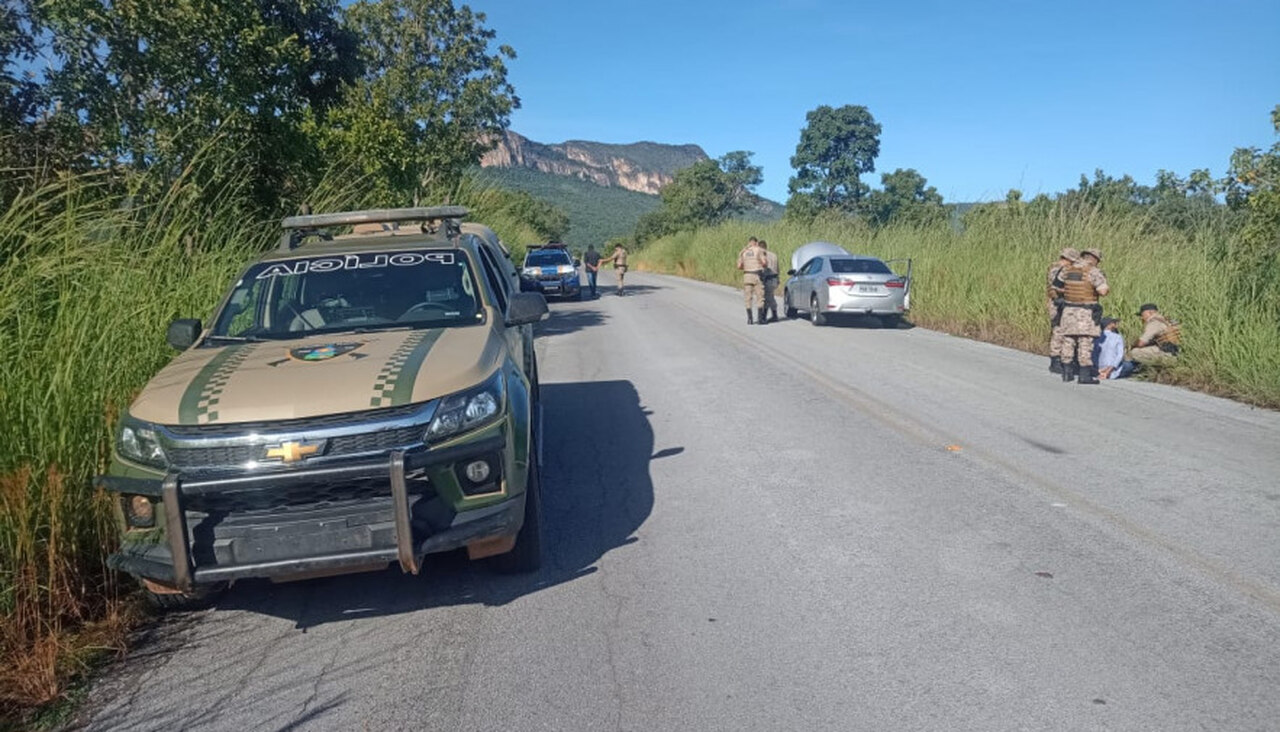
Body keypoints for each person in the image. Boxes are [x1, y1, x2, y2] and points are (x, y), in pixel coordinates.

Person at [1055, 247, 1109, 384]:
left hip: (1068, 311)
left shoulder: (1067, 269)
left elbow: (1057, 286)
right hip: (1085, 312)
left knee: (1068, 340)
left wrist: (1070, 293)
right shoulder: (1093, 272)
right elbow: (1103, 291)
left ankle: (1067, 373)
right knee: (1085, 342)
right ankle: (1084, 375)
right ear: (1095, 259)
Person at [1046, 247, 1081, 374]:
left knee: (1065, 330)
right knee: (1059, 331)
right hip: (1058, 304)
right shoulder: (1057, 269)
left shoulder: (1063, 268)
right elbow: (1056, 287)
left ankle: (1065, 359)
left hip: (1066, 303)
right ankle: (1055, 360)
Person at [1129, 303, 1181, 367]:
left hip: (1168, 355)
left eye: (1142, 315)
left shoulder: (1154, 322)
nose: (1142, 318)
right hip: (1177, 352)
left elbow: (1141, 343)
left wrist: (1133, 345)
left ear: (1149, 313)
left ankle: (1159, 368)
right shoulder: (1168, 320)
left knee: (1134, 352)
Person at [736, 236, 766, 324]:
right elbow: (764, 262)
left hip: (747, 275)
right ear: (756, 242)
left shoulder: (743, 252)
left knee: (748, 298)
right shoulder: (759, 250)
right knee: (760, 297)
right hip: (757, 275)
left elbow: (739, 266)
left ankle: (750, 319)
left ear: (749, 242)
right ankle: (760, 319)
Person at [758, 239, 780, 324]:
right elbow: (778, 268)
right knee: (770, 296)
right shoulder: (774, 255)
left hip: (768, 278)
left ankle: (765, 316)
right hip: (775, 277)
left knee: (767, 297)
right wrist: (778, 278)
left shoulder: (762, 255)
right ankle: (773, 314)